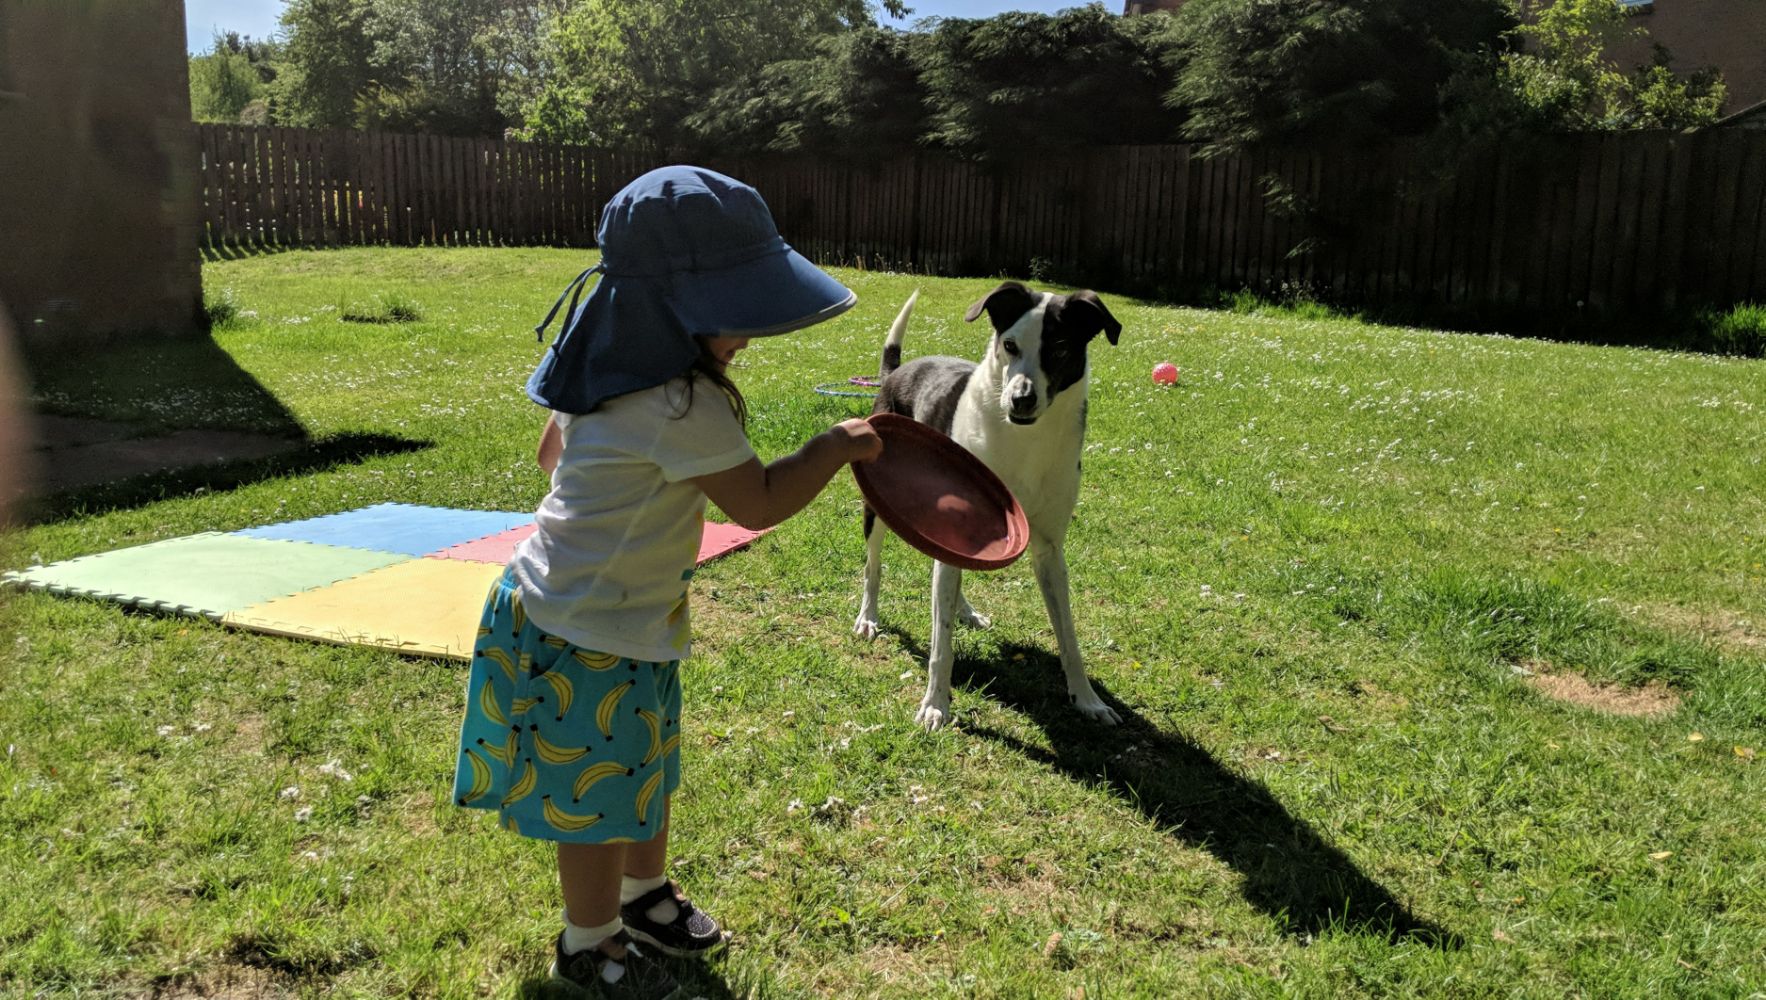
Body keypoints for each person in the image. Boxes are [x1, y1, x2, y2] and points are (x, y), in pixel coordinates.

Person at [452, 165, 882, 999]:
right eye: (737, 311)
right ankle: (588, 943)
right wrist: (831, 448)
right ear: (675, 311)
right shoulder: (682, 404)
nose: (747, 333)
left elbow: (549, 457)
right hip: (586, 632)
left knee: (641, 769)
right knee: (598, 798)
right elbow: (758, 502)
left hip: (593, 613)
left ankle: (643, 896)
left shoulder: (598, 364)